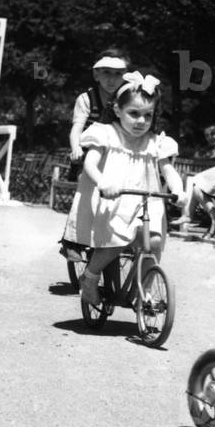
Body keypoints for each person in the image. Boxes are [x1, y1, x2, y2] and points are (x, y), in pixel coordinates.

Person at [62, 72, 185, 305]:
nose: (141, 121)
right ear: (118, 110)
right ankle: (89, 278)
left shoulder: (155, 142)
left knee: (155, 242)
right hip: (114, 200)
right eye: (134, 114)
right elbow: (90, 164)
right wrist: (103, 182)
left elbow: (168, 170)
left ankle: (145, 289)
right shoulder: (105, 133)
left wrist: (179, 191)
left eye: (147, 115)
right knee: (116, 241)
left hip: (146, 200)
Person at [59, 49, 130, 262]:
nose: (112, 79)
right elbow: (77, 127)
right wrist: (76, 148)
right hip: (92, 151)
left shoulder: (127, 96)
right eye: (106, 73)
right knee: (87, 188)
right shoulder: (87, 98)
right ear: (96, 74)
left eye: (118, 73)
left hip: (119, 151)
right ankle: (73, 240)